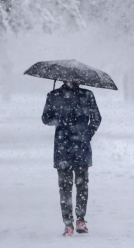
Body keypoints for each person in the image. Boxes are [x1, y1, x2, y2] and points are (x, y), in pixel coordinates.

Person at [41, 81, 102, 236]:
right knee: (82, 185)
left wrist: (58, 118)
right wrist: (87, 134)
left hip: (63, 147)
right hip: (81, 146)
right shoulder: (87, 95)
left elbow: (45, 119)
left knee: (64, 187)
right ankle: (80, 220)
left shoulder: (54, 95)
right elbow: (96, 118)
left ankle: (68, 224)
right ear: (79, 80)